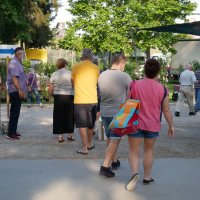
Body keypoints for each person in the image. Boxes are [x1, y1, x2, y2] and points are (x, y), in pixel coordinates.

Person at [98, 54, 132, 171]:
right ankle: (105, 165)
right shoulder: (125, 76)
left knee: (110, 137)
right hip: (119, 111)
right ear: (121, 63)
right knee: (115, 139)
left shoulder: (102, 75)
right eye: (124, 65)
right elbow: (131, 93)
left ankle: (114, 160)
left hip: (104, 111)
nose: (124, 67)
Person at [71, 48, 100, 155]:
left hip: (79, 100)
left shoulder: (75, 67)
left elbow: (73, 82)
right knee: (91, 124)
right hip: (93, 99)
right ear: (91, 57)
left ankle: (84, 148)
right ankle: (89, 143)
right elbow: (98, 84)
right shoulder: (96, 68)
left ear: (82, 56)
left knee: (81, 124)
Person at [48, 58, 74, 143]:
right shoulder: (70, 73)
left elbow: (51, 87)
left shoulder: (54, 74)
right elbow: (74, 85)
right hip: (69, 96)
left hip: (58, 96)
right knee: (70, 115)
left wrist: (50, 95)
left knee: (59, 115)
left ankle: (60, 136)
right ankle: (70, 134)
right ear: (65, 65)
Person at [6, 47, 28, 140]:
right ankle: (11, 134)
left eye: (22, 53)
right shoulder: (14, 63)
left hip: (17, 91)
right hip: (15, 91)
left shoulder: (18, 63)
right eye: (19, 53)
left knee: (16, 112)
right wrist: (20, 90)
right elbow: (14, 78)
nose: (21, 55)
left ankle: (13, 131)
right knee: (14, 113)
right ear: (15, 54)